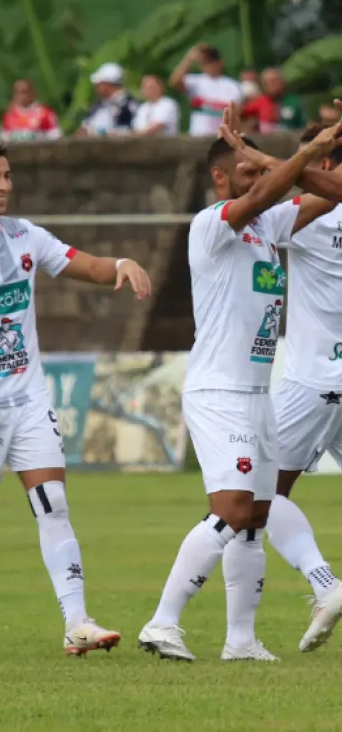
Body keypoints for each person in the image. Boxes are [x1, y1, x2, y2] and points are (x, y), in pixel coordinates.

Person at [0, 140, 150, 660]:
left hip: (27, 399)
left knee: (54, 502)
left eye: (8, 175)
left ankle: (76, 622)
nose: (4, 186)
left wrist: (121, 263)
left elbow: (81, 264)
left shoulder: (24, 236)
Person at [138, 106, 342, 662]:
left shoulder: (268, 228)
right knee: (231, 508)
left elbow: (333, 193)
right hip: (219, 392)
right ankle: (161, 623)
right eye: (247, 174)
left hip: (257, 395)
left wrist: (311, 152)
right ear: (221, 178)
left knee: (255, 517)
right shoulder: (211, 224)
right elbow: (261, 197)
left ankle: (242, 641)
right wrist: (299, 154)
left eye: (258, 173)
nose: (259, 185)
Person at [209, 121, 342, 653]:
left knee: (258, 494)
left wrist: (258, 157)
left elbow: (271, 198)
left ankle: (324, 585)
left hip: (313, 379)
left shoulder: (305, 219)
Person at [169, 44, 243, 136]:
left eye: (210, 62)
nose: (208, 65)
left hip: (222, 138)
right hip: (198, 136)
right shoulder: (196, 81)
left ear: (220, 63)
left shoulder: (233, 85)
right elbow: (174, 82)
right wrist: (189, 59)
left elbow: (238, 111)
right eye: (204, 62)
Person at [79, 63, 137, 136]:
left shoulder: (127, 105)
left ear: (108, 85)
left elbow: (128, 132)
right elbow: (85, 127)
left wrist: (99, 133)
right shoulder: (98, 105)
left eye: (99, 84)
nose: (96, 88)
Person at [243, 68, 306, 134]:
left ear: (283, 82)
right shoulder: (258, 102)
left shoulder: (295, 101)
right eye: (268, 82)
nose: (273, 84)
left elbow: (303, 125)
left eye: (275, 80)